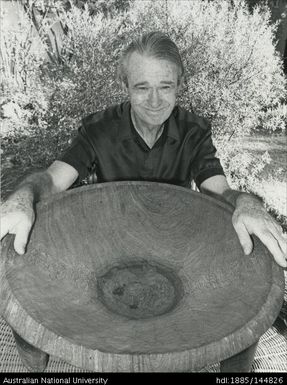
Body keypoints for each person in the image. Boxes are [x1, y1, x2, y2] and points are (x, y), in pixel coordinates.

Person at [1, 31, 286, 268]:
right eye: (141, 87)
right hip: (106, 246)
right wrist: (23, 196)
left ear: (179, 86)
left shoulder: (194, 132)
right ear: (124, 86)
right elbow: (51, 181)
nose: (154, 101)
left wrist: (247, 204)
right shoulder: (98, 129)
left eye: (165, 87)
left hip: (173, 247)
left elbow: (220, 193)